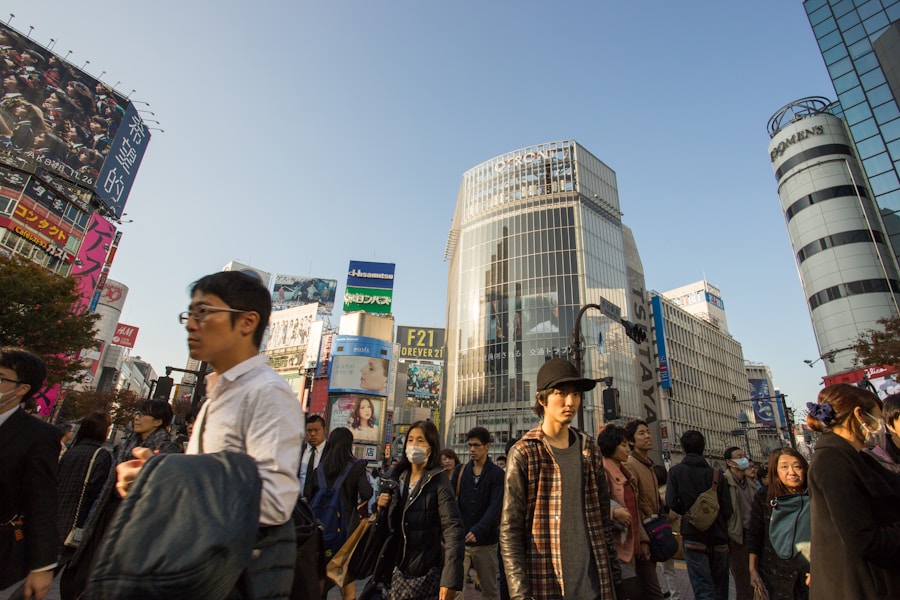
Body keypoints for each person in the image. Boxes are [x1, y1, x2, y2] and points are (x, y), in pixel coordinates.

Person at [118, 271, 304, 599]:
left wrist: (165, 479)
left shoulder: (267, 392)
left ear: (247, 322)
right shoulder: (218, 393)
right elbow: (206, 478)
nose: (191, 324)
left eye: (204, 312)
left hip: (229, 580)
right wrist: (153, 477)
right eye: (190, 313)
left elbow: (275, 502)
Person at [500, 358, 618, 599]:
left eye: (576, 394)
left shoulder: (589, 449)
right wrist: (520, 594)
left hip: (595, 585)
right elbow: (510, 530)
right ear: (541, 399)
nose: (570, 402)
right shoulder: (525, 452)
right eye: (561, 394)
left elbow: (603, 519)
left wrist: (616, 578)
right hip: (546, 583)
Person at [806, 383, 900, 599]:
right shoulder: (832, 460)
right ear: (859, 415)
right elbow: (861, 538)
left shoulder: (856, 457)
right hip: (856, 586)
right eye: (877, 418)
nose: (880, 427)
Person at [375, 420, 464, 599]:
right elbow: (385, 524)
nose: (414, 445)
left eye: (420, 440)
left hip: (423, 571)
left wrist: (449, 579)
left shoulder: (438, 480)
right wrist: (380, 506)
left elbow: (453, 528)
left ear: (431, 447)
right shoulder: (395, 477)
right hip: (392, 568)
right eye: (410, 440)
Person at [0, 347, 60, 600]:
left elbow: (42, 500)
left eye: (1, 378)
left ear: (22, 389)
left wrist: (42, 565)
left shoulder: (39, 436)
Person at [303, 427, 372, 600]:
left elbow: (307, 495)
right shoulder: (356, 467)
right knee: (346, 580)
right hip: (346, 532)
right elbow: (367, 493)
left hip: (320, 534)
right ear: (349, 445)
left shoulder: (319, 469)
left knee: (320, 580)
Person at [667, 430, 733, 600]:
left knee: (703, 588)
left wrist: (689, 513)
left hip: (692, 535)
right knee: (720, 589)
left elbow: (671, 502)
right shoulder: (717, 475)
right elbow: (728, 509)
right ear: (703, 447)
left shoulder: (675, 472)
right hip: (718, 536)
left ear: (683, 448)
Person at [746, 448, 809, 600]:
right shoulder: (765, 496)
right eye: (784, 467)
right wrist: (753, 569)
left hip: (810, 573)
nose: (792, 472)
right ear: (775, 471)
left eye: (797, 466)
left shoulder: (816, 495)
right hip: (775, 574)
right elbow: (755, 534)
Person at [599, 424, 653, 599]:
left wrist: (642, 540)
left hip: (633, 543)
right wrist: (614, 513)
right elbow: (595, 506)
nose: (627, 448)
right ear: (611, 446)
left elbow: (634, 510)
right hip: (618, 548)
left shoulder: (626, 473)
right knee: (631, 592)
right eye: (623, 445)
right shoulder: (603, 471)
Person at [452, 427, 504, 600]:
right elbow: (451, 502)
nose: (472, 449)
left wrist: (478, 530)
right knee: (455, 589)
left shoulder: (496, 474)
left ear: (487, 446)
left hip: (486, 542)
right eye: (469, 445)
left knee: (489, 590)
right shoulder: (460, 471)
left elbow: (495, 506)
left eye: (476, 445)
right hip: (461, 540)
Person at [623, 419, 666, 599]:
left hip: (653, 533)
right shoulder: (630, 465)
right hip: (644, 536)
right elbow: (632, 505)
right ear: (631, 441)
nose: (648, 436)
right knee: (653, 592)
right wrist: (642, 540)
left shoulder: (648, 464)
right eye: (641, 433)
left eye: (648, 432)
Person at [722, 446, 754, 600]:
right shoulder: (724, 482)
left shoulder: (751, 483)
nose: (744, 459)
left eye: (744, 456)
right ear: (729, 462)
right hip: (737, 536)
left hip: (753, 534)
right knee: (743, 581)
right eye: (739, 457)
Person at [652, 464, 681, 600]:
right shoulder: (663, 491)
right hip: (664, 534)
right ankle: (667, 591)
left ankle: (674, 594)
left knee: (667, 568)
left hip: (666, 534)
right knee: (665, 568)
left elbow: (673, 514)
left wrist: (663, 511)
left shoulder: (664, 493)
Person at [115, 399, 174, 464]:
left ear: (158, 422)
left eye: (142, 415)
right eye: (137, 414)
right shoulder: (127, 442)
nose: (136, 418)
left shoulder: (166, 450)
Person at [299, 415, 326, 492]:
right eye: (309, 431)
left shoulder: (331, 451)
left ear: (324, 430)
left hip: (321, 497)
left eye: (317, 430)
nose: (313, 434)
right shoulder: (299, 451)